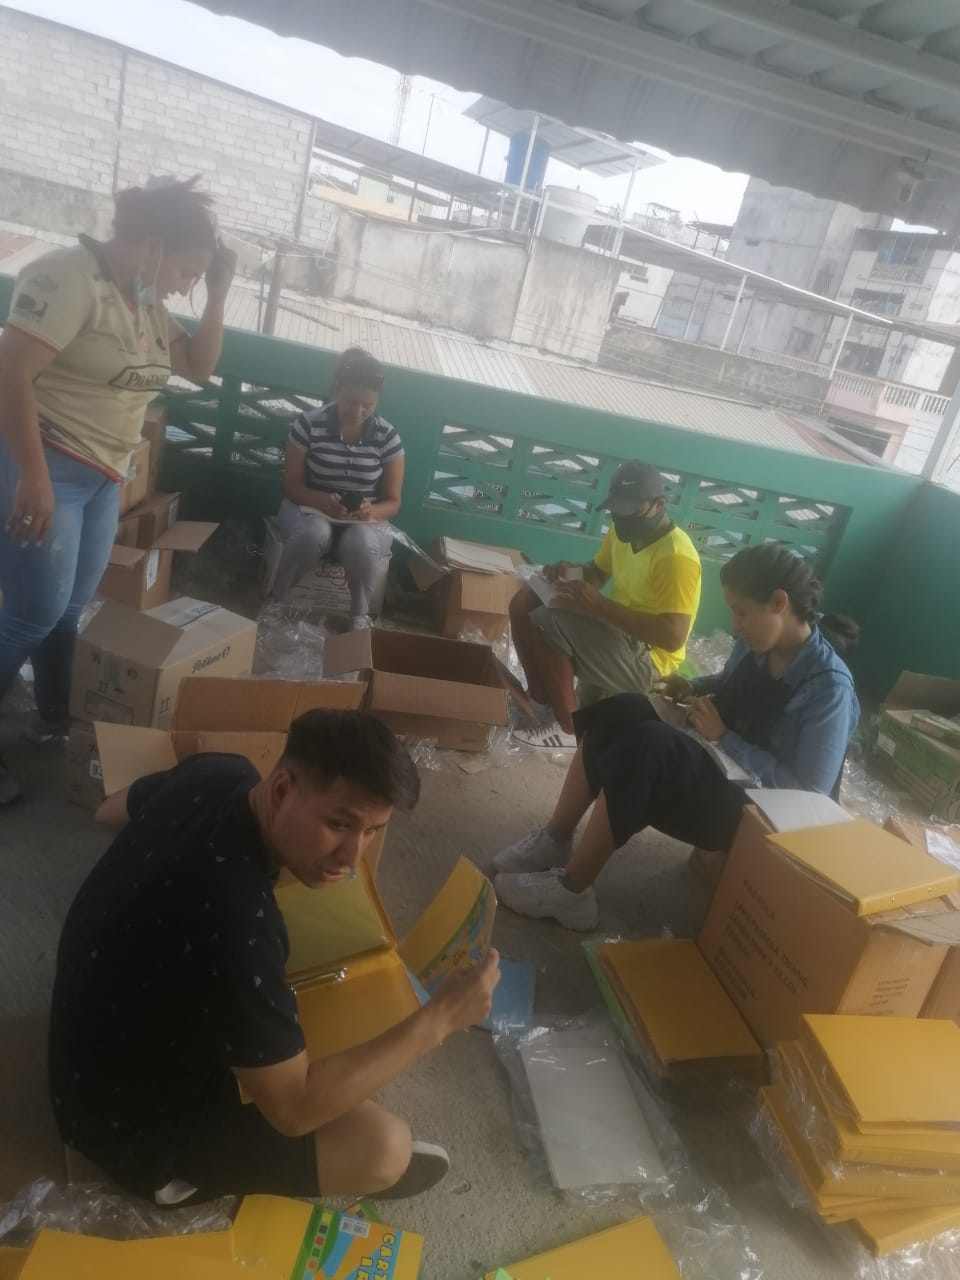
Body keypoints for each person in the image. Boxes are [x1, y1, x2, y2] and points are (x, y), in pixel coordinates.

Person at [48, 709, 501, 1204]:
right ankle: (178, 1182)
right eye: (339, 823)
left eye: (372, 831)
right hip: (124, 1128)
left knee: (324, 1026)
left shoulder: (219, 772)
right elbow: (294, 1110)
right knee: (383, 1146)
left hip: (86, 1043)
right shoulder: (238, 921)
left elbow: (110, 811)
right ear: (282, 790)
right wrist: (440, 1019)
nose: (353, 857)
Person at [0, 176, 235, 805]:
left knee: (69, 608)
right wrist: (33, 477)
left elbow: (199, 366)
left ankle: (53, 714)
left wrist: (218, 293)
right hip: (44, 464)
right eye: (186, 271)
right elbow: (10, 375)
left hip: (104, 478)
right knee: (30, 613)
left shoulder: (144, 303)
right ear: (153, 246)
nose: (184, 285)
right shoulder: (67, 279)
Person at [493, 543, 860, 931]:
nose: (735, 625)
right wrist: (692, 686)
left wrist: (724, 737)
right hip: (726, 765)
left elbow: (809, 794)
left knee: (649, 747)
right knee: (625, 708)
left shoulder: (828, 688)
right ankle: (556, 838)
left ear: (779, 603)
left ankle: (572, 893)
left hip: (761, 812)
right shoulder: (756, 644)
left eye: (741, 612)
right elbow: (728, 682)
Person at [510, 460, 702, 750]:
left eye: (629, 510)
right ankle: (540, 701)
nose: (620, 518)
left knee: (548, 621)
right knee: (525, 600)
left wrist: (600, 606)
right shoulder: (624, 532)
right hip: (618, 633)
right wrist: (569, 571)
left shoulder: (676, 558)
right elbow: (598, 573)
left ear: (659, 505)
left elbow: (673, 637)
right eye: (616, 511)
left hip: (650, 660)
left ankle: (569, 728)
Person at [272, 348, 404, 629]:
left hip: (362, 523)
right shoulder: (308, 425)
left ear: (378, 400)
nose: (358, 412)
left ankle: (359, 616)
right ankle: (276, 602)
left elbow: (393, 502)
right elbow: (291, 485)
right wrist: (321, 501)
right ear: (336, 391)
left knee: (363, 543)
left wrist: (370, 512)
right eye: (350, 402)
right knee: (313, 533)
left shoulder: (387, 436)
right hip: (309, 511)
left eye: (367, 404)